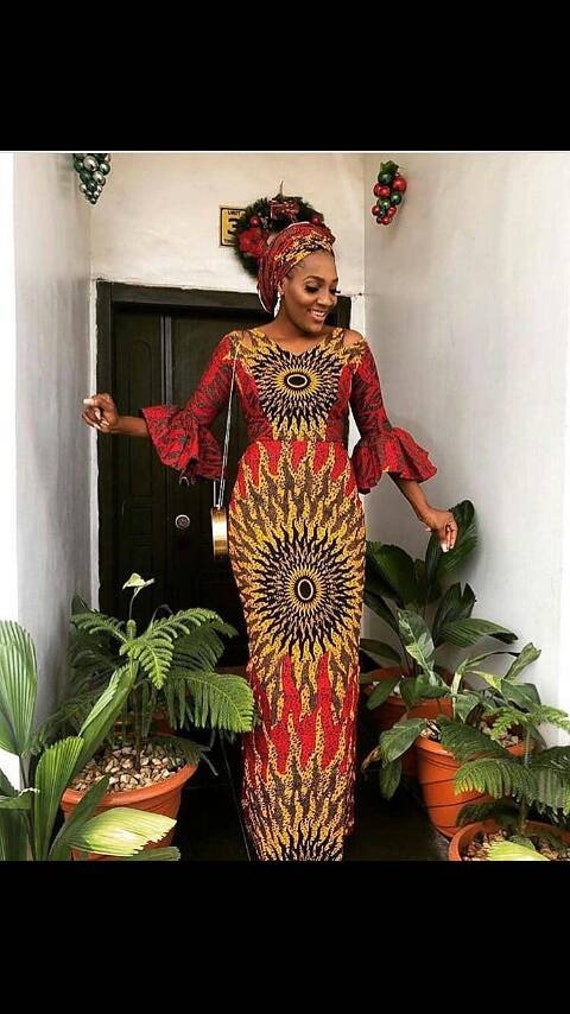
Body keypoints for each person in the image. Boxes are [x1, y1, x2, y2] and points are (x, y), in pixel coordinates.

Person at [82, 220, 457, 862]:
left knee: (332, 663)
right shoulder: (238, 349)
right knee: (277, 659)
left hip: (333, 521)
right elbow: (194, 422)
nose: (326, 299)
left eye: (333, 288)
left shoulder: (352, 350)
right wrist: (119, 423)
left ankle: (324, 816)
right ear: (280, 281)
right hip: (265, 523)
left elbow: (377, 434)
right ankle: (274, 810)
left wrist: (425, 510)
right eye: (313, 286)